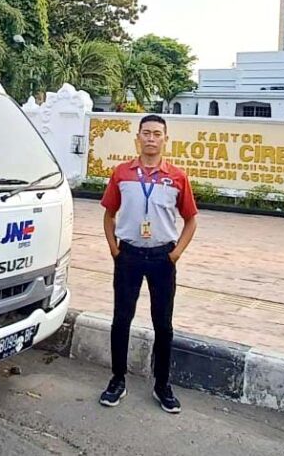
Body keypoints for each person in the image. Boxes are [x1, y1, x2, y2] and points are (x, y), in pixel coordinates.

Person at [98, 114, 198, 413]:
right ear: (137, 138)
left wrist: (175, 253)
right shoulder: (121, 173)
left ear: (165, 140)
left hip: (161, 258)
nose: (151, 138)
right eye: (146, 133)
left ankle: (162, 385)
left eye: (157, 133)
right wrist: (114, 249)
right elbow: (108, 213)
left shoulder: (177, 177)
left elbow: (191, 220)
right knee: (121, 320)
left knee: (163, 324)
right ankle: (117, 380)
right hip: (128, 256)